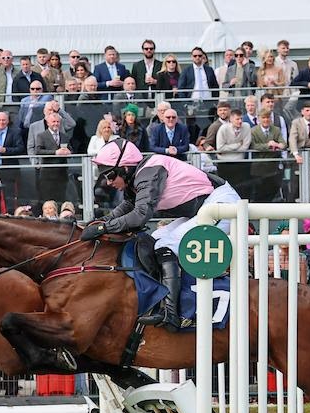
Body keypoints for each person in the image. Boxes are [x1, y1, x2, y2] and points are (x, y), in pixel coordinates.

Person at [80, 139, 240, 331]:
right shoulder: (138, 174)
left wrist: (102, 229)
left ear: (124, 167)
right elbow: (128, 206)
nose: (108, 182)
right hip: (205, 207)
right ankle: (164, 301)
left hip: (221, 205)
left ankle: (171, 313)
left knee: (166, 246)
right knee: (155, 240)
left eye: (110, 175)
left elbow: (139, 216)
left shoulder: (149, 173)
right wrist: (100, 222)